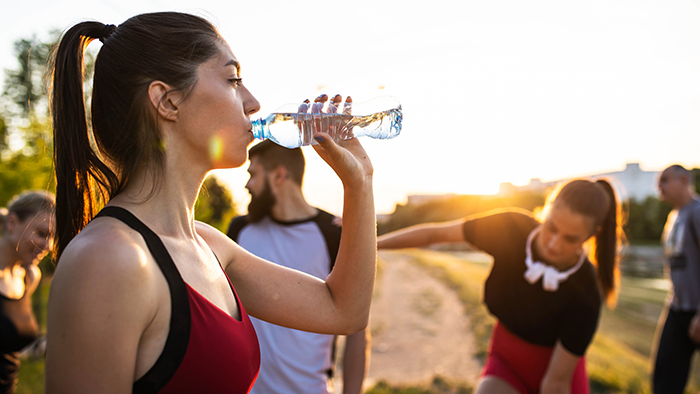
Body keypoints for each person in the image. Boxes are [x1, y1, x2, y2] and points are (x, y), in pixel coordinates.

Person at [46, 12, 376, 393]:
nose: (252, 103)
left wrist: (360, 181)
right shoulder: (108, 260)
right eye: (233, 79)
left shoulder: (210, 246)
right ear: (168, 102)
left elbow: (344, 311)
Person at [377, 179, 623, 394]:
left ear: (591, 235)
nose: (554, 244)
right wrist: (372, 243)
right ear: (546, 209)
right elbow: (433, 235)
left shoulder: (587, 292)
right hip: (507, 362)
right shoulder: (510, 229)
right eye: (551, 227)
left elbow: (555, 384)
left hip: (558, 379)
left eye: (570, 239)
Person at [227, 140, 370, 394]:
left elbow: (357, 331)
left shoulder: (333, 234)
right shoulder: (239, 231)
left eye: (253, 175)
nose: (247, 185)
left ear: (279, 175)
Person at [652, 165, 700, 394]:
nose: (659, 187)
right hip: (677, 308)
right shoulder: (674, 216)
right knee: (664, 378)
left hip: (697, 311)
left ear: (683, 180)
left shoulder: (697, 212)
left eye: (664, 180)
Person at [0, 191, 55, 393]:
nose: (48, 246)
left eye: (52, 238)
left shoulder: (30, 277)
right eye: (41, 233)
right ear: (12, 222)